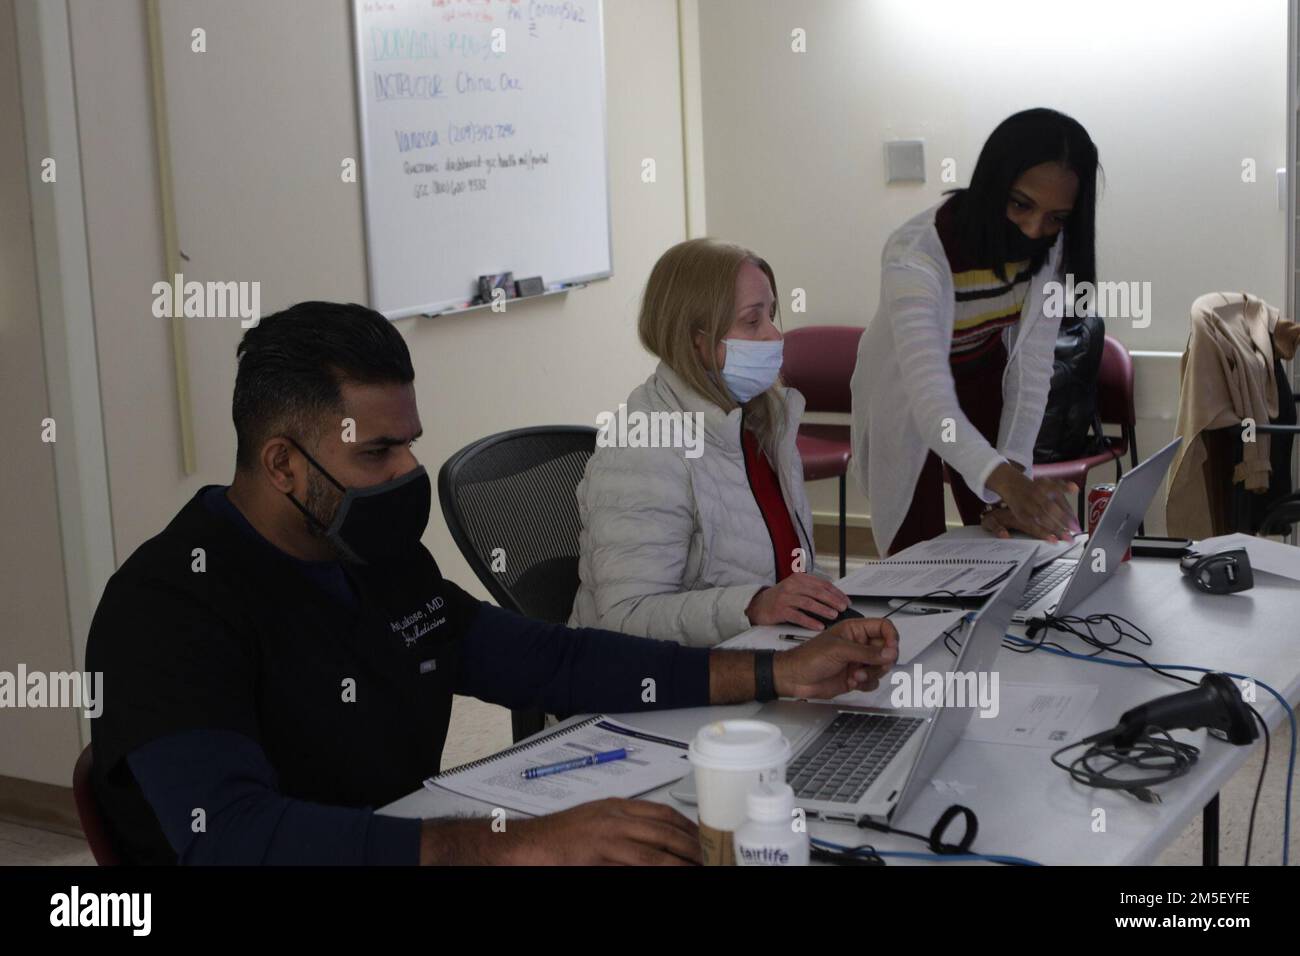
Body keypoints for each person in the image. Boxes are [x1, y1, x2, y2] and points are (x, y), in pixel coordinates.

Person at [85, 301, 898, 865]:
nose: (409, 472)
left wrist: (775, 670)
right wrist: (514, 846)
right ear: (280, 463)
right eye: (377, 453)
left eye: (410, 442)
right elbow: (229, 839)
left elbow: (550, 662)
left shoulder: (375, 556)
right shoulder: (168, 608)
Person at [570, 239, 853, 646]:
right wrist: (752, 606)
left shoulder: (760, 417)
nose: (775, 335)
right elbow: (626, 616)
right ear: (694, 339)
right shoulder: (643, 446)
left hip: (759, 650)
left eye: (771, 315)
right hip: (662, 686)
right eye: (752, 321)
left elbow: (785, 567)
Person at [850, 108, 1100, 556]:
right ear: (992, 183)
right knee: (913, 547)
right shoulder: (916, 253)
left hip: (982, 371)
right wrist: (1007, 480)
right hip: (909, 389)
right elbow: (929, 399)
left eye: (1056, 217)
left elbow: (1032, 366)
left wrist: (1012, 475)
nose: (1034, 229)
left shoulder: (1050, 243)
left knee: (1003, 531)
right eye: (1021, 204)